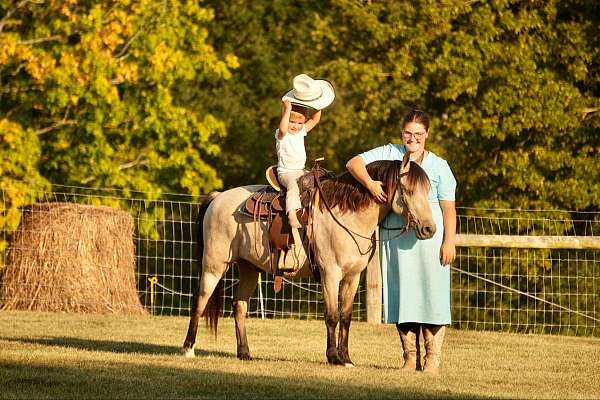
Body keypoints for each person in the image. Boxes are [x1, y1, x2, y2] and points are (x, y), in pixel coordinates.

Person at [346, 109, 457, 374]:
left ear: (427, 135)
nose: (413, 138)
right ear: (402, 133)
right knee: (403, 296)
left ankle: (432, 359)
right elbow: (353, 164)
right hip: (395, 236)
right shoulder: (389, 153)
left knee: (432, 296)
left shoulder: (439, 166)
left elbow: (449, 208)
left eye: (419, 134)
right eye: (408, 133)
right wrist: (371, 184)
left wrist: (449, 241)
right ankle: (409, 358)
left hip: (430, 238)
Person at [276, 74, 335, 229]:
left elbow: (315, 119)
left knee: (319, 182)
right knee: (293, 186)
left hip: (300, 170)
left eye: (299, 122)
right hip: (286, 172)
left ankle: (315, 213)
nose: (295, 126)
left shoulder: (301, 131)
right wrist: (287, 109)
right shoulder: (282, 133)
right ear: (285, 119)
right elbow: (283, 127)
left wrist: (318, 104)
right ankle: (291, 214)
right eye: (292, 122)